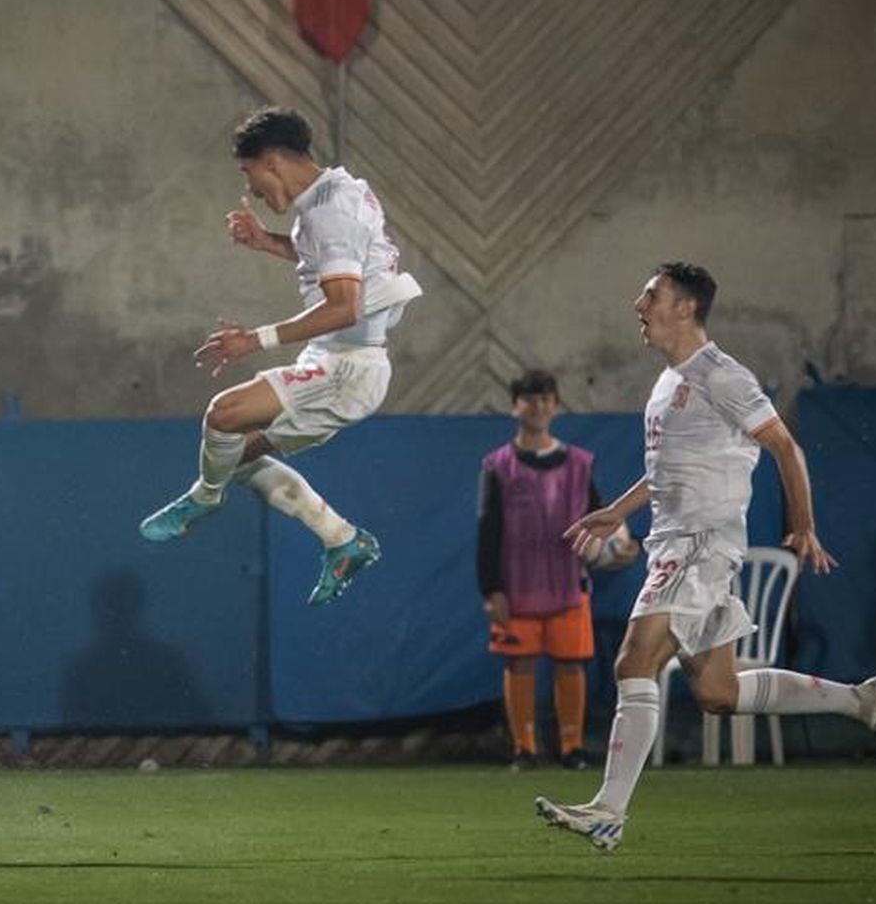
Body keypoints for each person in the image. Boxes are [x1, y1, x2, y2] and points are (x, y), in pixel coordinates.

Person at [534, 262, 876, 853]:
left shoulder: (723, 376)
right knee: (718, 693)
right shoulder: (667, 381)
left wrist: (803, 526)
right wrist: (619, 511)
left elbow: (785, 446)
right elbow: (666, 471)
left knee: (634, 662)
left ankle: (608, 811)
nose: (639, 302)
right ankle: (860, 700)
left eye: (651, 293)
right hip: (677, 541)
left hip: (701, 544)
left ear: (685, 307)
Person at [137, 106, 423, 605]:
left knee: (223, 415)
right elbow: (334, 261)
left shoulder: (329, 210)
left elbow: (342, 307)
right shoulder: (335, 194)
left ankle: (203, 499)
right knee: (235, 458)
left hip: (347, 368)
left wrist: (256, 339)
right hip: (339, 360)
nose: (251, 189)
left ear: (271, 162)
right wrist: (265, 242)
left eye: (249, 175)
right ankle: (342, 539)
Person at [478, 369, 638, 772]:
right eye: (530, 399)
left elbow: (603, 519)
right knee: (520, 663)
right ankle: (524, 748)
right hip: (516, 585)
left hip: (569, 581)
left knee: (571, 662)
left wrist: (622, 547)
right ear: (515, 406)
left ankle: (572, 747)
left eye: (546, 398)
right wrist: (491, 589)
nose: (539, 406)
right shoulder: (497, 466)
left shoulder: (580, 465)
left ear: (556, 405)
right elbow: (488, 529)